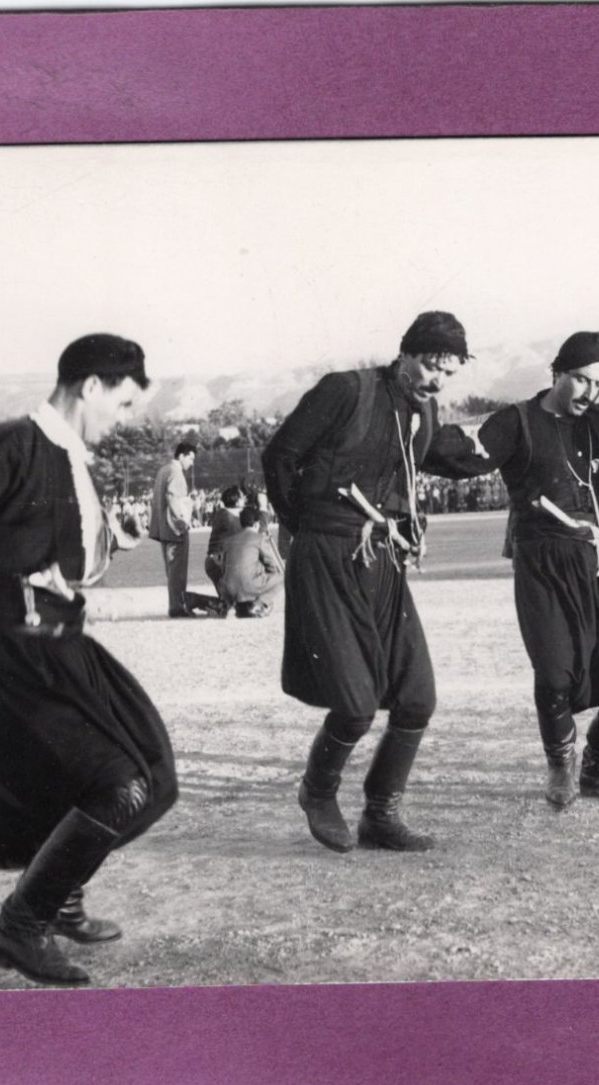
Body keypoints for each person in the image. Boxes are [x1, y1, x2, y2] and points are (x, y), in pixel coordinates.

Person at [0, 333, 178, 986]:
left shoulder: (72, 455)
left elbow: (60, 548)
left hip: (64, 646)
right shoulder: (16, 441)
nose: (122, 419)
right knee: (119, 784)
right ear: (90, 386)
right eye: (122, 404)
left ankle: (63, 892)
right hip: (15, 655)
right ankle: (20, 924)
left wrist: (112, 540)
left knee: (154, 773)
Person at [261, 311, 476, 853]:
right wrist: (308, 527)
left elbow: (437, 463)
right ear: (405, 353)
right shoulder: (345, 391)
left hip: (384, 560)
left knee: (417, 696)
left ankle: (381, 814)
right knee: (355, 702)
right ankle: (318, 789)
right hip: (328, 553)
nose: (435, 381)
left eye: (447, 374)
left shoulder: (422, 416)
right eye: (429, 365)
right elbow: (280, 456)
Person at [446, 331, 599, 808]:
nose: (589, 393)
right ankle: (561, 765)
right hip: (546, 564)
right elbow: (460, 457)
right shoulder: (516, 422)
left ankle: (597, 767)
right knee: (555, 673)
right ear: (557, 372)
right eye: (579, 380)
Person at [149, 440, 210, 617]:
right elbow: (173, 499)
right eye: (190, 459)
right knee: (178, 572)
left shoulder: (164, 470)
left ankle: (175, 604)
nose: (191, 463)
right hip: (175, 529)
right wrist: (183, 523)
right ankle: (177, 607)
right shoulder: (176, 473)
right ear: (181, 456)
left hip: (163, 528)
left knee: (172, 571)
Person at [219, 503, 285, 617]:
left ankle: (238, 605)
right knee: (282, 578)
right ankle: (260, 603)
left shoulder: (228, 541)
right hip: (249, 586)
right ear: (256, 523)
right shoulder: (259, 538)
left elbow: (223, 567)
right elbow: (271, 566)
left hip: (228, 588)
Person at [203, 484, 246, 612]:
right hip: (222, 563)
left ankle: (224, 599)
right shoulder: (229, 517)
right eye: (242, 497)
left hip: (216, 562)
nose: (245, 500)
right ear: (237, 500)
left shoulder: (223, 514)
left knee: (230, 602)